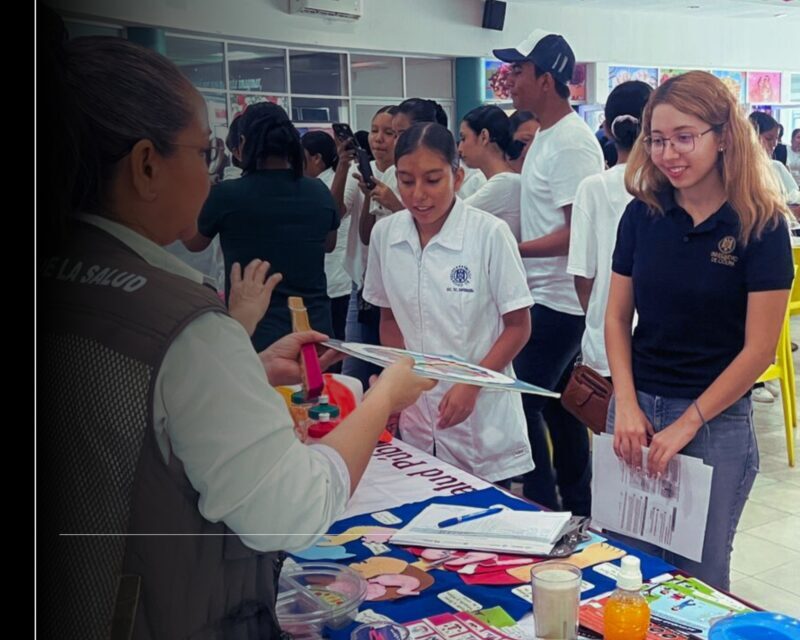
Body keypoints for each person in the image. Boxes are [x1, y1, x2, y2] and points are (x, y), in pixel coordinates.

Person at [38, 32, 434, 639]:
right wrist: (383, 397)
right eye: (203, 152)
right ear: (147, 165)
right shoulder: (185, 326)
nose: (212, 170)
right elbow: (289, 511)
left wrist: (243, 369)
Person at [605, 71, 793, 590]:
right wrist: (624, 401)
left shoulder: (760, 225)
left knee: (698, 583)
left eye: (685, 137)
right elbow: (618, 318)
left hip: (714, 422)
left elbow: (758, 350)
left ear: (724, 135)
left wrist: (689, 422)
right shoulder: (642, 215)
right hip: (636, 411)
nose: (669, 154)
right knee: (625, 568)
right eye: (658, 140)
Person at [363, 122, 534, 483]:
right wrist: (396, 383)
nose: (418, 195)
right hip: (417, 410)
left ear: (457, 177)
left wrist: (471, 385)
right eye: (406, 181)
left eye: (432, 180)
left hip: (480, 417)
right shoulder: (386, 235)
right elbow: (389, 318)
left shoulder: (488, 234)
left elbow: (518, 326)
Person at [494, 29, 605, 515]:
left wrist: (513, 248)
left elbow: (577, 233)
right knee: (561, 405)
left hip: (560, 300)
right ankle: (577, 506)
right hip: (544, 293)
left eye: (519, 71)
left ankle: (542, 508)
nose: (510, 79)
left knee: (522, 401)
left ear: (545, 78)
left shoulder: (572, 145)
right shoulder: (547, 135)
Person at [187, 102, 340, 351]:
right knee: (316, 389)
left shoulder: (227, 195)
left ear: (244, 142)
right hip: (314, 331)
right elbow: (329, 245)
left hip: (254, 333)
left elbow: (193, 242)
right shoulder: (318, 191)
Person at [567, 81, 652, 378]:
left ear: (606, 127)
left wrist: (603, 316)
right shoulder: (668, 186)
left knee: (612, 424)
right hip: (660, 347)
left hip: (604, 342)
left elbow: (583, 276)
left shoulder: (592, 188)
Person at [341, 106, 397, 389]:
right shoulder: (361, 170)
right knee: (353, 368)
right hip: (362, 284)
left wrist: (390, 200)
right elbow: (356, 227)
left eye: (389, 133)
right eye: (374, 130)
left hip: (397, 288)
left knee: (388, 369)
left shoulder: (405, 175)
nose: (378, 139)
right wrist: (342, 166)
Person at [302, 130, 357, 347]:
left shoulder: (332, 182)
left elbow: (334, 215)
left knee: (334, 346)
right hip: (331, 278)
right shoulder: (316, 183)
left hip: (337, 278)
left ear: (316, 158)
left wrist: (343, 166)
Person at [458, 104, 524, 240]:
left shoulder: (506, 183)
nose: (459, 148)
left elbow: (453, 216)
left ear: (484, 137)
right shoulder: (504, 181)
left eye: (464, 139)